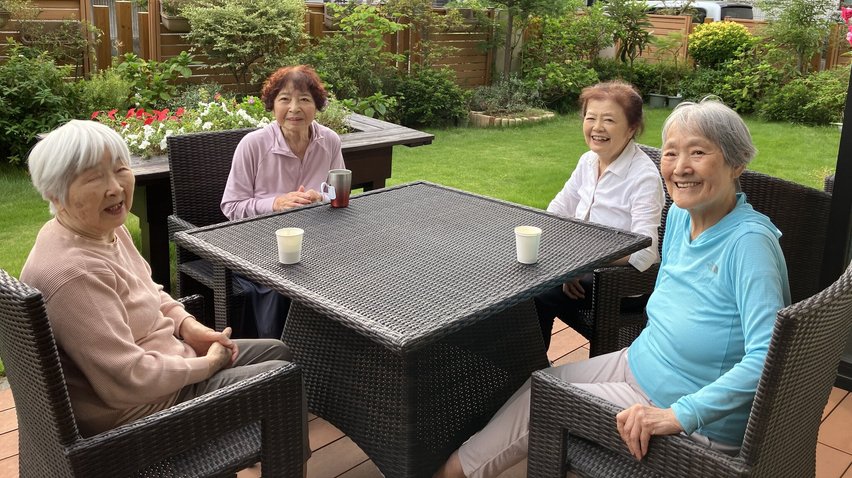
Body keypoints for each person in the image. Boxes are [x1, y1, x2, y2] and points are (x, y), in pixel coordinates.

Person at [433, 99, 791, 478]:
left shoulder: (749, 244)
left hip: (686, 409)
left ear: (737, 163)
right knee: (540, 384)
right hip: (641, 362)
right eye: (671, 153)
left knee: (539, 404)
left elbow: (770, 358)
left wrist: (678, 415)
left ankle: (450, 472)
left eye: (698, 153)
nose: (680, 167)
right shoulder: (681, 215)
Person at [20, 119, 295, 438]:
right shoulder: (74, 274)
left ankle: (260, 444)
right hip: (143, 414)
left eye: (120, 169)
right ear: (55, 194)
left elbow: (148, 291)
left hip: (166, 364)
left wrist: (188, 327)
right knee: (282, 378)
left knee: (277, 351)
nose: (115, 187)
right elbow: (126, 380)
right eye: (94, 177)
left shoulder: (101, 229)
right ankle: (277, 454)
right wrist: (206, 366)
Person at [535, 80, 665, 350]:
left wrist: (579, 263)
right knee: (522, 281)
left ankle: (528, 368)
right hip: (583, 270)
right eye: (590, 117)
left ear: (631, 128)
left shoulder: (643, 177)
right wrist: (567, 264)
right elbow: (556, 212)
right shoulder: (587, 161)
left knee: (535, 293)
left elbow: (645, 252)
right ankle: (524, 362)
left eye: (609, 120)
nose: (597, 127)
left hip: (621, 284)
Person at [220, 65, 345, 339]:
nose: (294, 108)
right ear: (272, 105)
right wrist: (275, 203)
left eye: (304, 99)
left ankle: (337, 345)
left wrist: (321, 196)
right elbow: (231, 206)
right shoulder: (253, 145)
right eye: (285, 99)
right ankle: (280, 349)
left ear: (316, 105)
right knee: (285, 282)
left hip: (317, 239)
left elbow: (337, 194)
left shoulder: (330, 141)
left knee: (350, 267)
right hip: (260, 244)